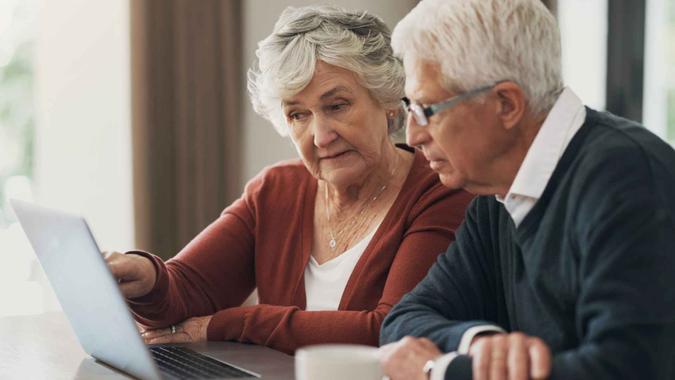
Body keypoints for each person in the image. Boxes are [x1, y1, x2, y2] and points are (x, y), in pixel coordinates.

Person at [105, 5, 473, 355]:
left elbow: (388, 332)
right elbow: (184, 292)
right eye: (298, 114)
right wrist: (148, 277)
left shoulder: (439, 192)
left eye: (337, 105)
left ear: (388, 100)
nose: (320, 135)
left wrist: (228, 324)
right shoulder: (275, 190)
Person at [378, 0, 675, 379]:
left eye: (427, 110)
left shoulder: (630, 180)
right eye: (410, 108)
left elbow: (627, 368)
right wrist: (479, 343)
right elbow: (403, 321)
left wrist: (443, 369)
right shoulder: (496, 195)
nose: (413, 135)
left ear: (506, 104)